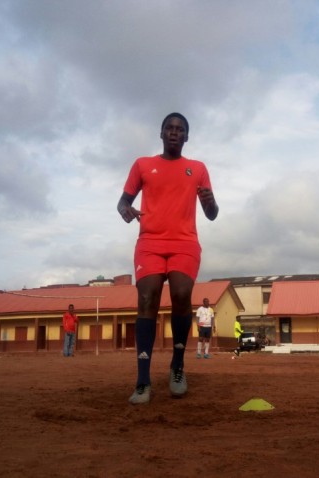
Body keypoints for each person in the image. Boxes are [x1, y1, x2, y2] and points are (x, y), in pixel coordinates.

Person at [117, 112, 219, 405]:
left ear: (187, 137)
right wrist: (124, 209)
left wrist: (211, 204)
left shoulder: (197, 169)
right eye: (169, 128)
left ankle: (177, 366)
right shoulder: (143, 165)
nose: (174, 133)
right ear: (161, 133)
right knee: (147, 298)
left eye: (180, 130)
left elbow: (211, 214)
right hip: (149, 242)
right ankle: (142, 380)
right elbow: (124, 200)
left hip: (184, 242)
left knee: (181, 293)